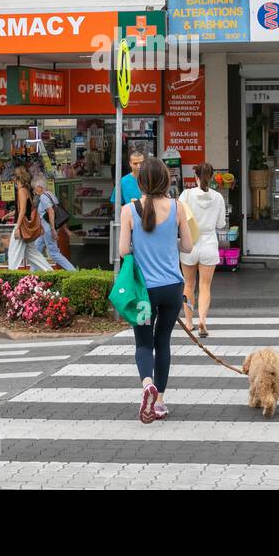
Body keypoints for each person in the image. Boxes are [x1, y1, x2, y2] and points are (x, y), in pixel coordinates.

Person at [119, 156, 194, 423]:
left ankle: (147, 383)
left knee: (143, 343)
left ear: (140, 181)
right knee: (163, 342)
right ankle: (160, 402)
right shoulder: (178, 207)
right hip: (173, 288)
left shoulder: (129, 210)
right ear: (167, 179)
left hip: (143, 292)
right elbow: (187, 247)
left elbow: (123, 251)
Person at [178, 162, 225, 338]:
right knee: (205, 286)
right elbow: (221, 224)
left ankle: (189, 322)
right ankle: (203, 319)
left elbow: (179, 218)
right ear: (211, 177)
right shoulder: (218, 198)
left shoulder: (186, 195)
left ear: (195, 177)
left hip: (190, 242)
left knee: (188, 284)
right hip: (209, 244)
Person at [7, 165, 52, 271]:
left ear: (16, 178)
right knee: (34, 255)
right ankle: (49, 272)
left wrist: (17, 227)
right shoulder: (26, 190)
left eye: (13, 177)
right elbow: (25, 209)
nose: (12, 180)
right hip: (25, 226)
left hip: (22, 226)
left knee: (13, 254)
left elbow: (22, 210)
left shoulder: (21, 191)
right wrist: (9, 214)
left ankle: (10, 278)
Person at [33, 174, 76, 272]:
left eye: (35, 188)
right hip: (47, 229)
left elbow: (51, 212)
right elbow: (59, 214)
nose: (34, 191)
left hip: (48, 229)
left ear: (40, 187)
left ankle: (73, 271)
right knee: (37, 248)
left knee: (54, 253)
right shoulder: (50, 194)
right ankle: (33, 272)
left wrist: (53, 230)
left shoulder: (43, 197)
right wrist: (64, 229)